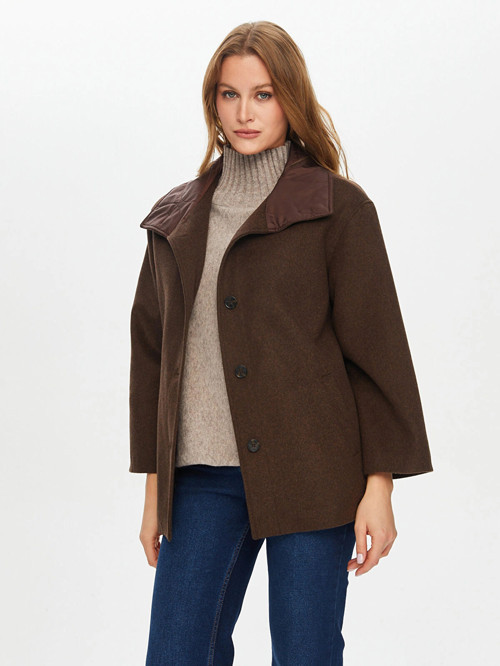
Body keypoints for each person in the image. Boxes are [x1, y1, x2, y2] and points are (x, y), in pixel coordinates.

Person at [129, 20, 434, 665]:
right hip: (201, 478)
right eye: (230, 94)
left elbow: (376, 354)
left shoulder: (337, 209)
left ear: (289, 99)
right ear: (213, 102)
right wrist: (155, 489)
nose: (245, 112)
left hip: (314, 471)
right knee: (177, 651)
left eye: (263, 94)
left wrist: (379, 486)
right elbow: (153, 360)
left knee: (305, 652)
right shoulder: (175, 219)